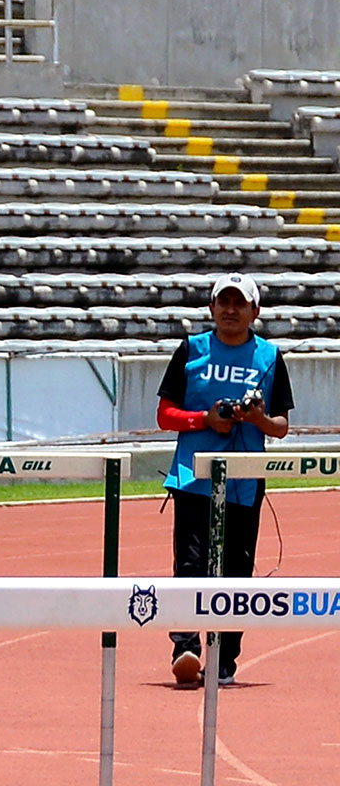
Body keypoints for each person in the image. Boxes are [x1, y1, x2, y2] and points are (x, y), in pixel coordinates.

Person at [156, 272, 293, 687]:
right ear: (212, 308)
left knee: (237, 570)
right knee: (191, 564)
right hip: (193, 475)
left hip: (245, 479)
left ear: (255, 311)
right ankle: (186, 647)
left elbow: (282, 426)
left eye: (240, 303)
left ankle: (225, 658)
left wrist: (257, 418)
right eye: (223, 302)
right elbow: (165, 415)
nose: (231, 310)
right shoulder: (191, 350)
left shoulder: (269, 357)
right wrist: (205, 419)